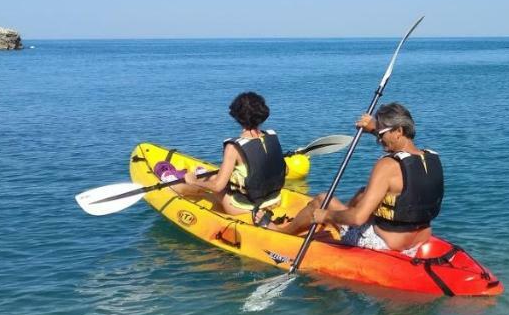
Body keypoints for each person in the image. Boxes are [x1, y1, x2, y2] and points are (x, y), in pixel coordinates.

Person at [274, 102, 442, 255]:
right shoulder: (431, 157)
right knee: (364, 193)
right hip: (420, 239)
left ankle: (282, 233)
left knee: (321, 200)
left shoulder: (387, 165)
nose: (378, 139)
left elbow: (358, 219)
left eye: (381, 134)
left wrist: (326, 216)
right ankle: (341, 215)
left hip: (385, 244)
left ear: (399, 131)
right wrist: (375, 129)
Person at [173, 91, 287, 225]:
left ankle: (175, 190)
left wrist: (193, 181)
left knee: (209, 181)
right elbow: (284, 170)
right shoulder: (272, 136)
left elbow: (217, 187)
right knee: (218, 179)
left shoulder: (233, 147)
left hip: (243, 208)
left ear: (237, 117)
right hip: (274, 201)